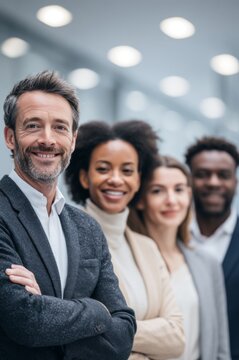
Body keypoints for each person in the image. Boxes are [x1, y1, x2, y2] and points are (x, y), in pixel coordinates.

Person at [0, 71, 136, 360]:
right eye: (33, 125)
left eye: (60, 127)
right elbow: (26, 321)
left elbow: (124, 332)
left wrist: (50, 311)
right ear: (10, 136)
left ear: (73, 140)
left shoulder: (87, 228)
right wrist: (97, 310)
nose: (47, 140)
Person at [64, 120, 185, 360]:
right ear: (84, 177)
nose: (116, 179)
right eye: (103, 169)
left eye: (127, 170)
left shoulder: (147, 247)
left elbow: (177, 337)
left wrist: (116, 331)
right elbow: (75, 337)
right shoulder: (67, 239)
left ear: (139, 180)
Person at [128, 155, 230, 360]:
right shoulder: (126, 259)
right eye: (157, 191)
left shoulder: (207, 263)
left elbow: (220, 345)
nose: (171, 200)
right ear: (140, 200)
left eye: (179, 190)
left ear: (189, 195)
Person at [185, 137, 239, 360]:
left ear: (235, 181)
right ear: (188, 180)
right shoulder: (168, 240)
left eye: (223, 175)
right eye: (202, 174)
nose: (213, 182)